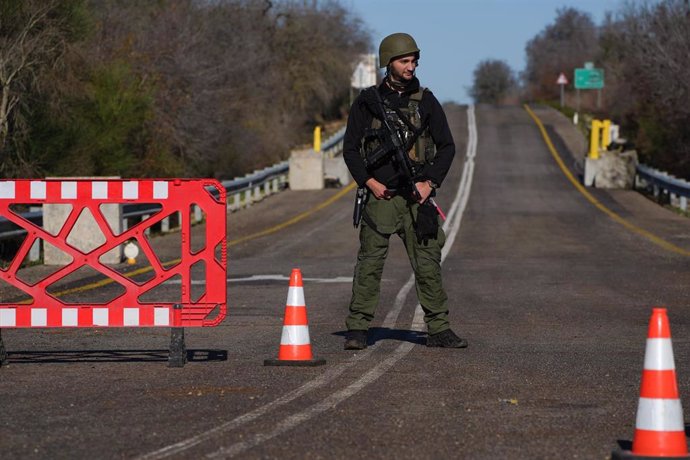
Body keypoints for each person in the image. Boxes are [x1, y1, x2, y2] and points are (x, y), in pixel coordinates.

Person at [342, 32, 467, 350]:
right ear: (389, 63)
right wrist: (368, 182)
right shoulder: (368, 102)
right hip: (381, 198)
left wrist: (430, 183)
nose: (411, 66)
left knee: (427, 263)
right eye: (404, 61)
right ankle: (358, 328)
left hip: (416, 198)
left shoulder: (426, 100)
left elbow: (448, 147)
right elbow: (351, 150)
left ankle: (439, 329)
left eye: (414, 61)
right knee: (370, 263)